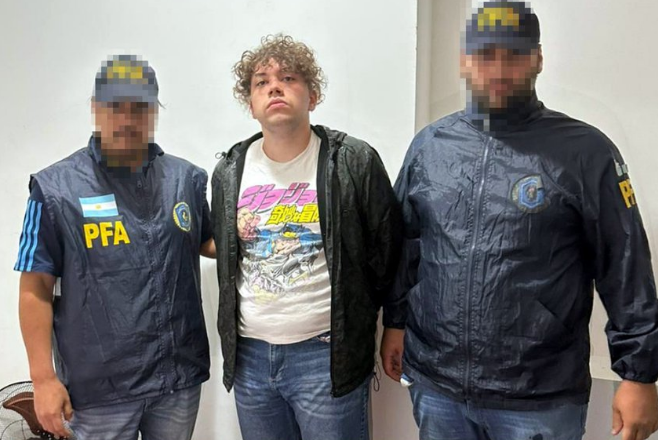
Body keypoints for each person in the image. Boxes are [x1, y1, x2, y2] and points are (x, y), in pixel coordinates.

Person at [380, 3, 658, 440]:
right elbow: (407, 245)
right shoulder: (430, 146)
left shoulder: (585, 152)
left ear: (538, 58)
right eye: (485, 54)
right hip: (438, 386)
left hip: (540, 396)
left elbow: (625, 265)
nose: (498, 69)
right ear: (464, 61)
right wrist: (395, 323)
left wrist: (638, 374)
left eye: (514, 54)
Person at [210, 34, 402, 440]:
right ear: (251, 104)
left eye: (288, 78)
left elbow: (390, 250)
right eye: (261, 82)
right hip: (249, 358)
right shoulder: (229, 171)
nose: (274, 88)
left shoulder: (353, 161)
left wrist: (395, 325)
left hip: (325, 355)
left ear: (312, 96)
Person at [15, 55, 215, 440]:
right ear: (95, 108)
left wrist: (260, 231)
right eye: (114, 106)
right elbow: (34, 288)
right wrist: (43, 379)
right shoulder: (54, 190)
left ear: (154, 111)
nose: (126, 119)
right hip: (97, 394)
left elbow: (206, 240)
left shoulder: (186, 179)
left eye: (139, 107)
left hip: (177, 382)